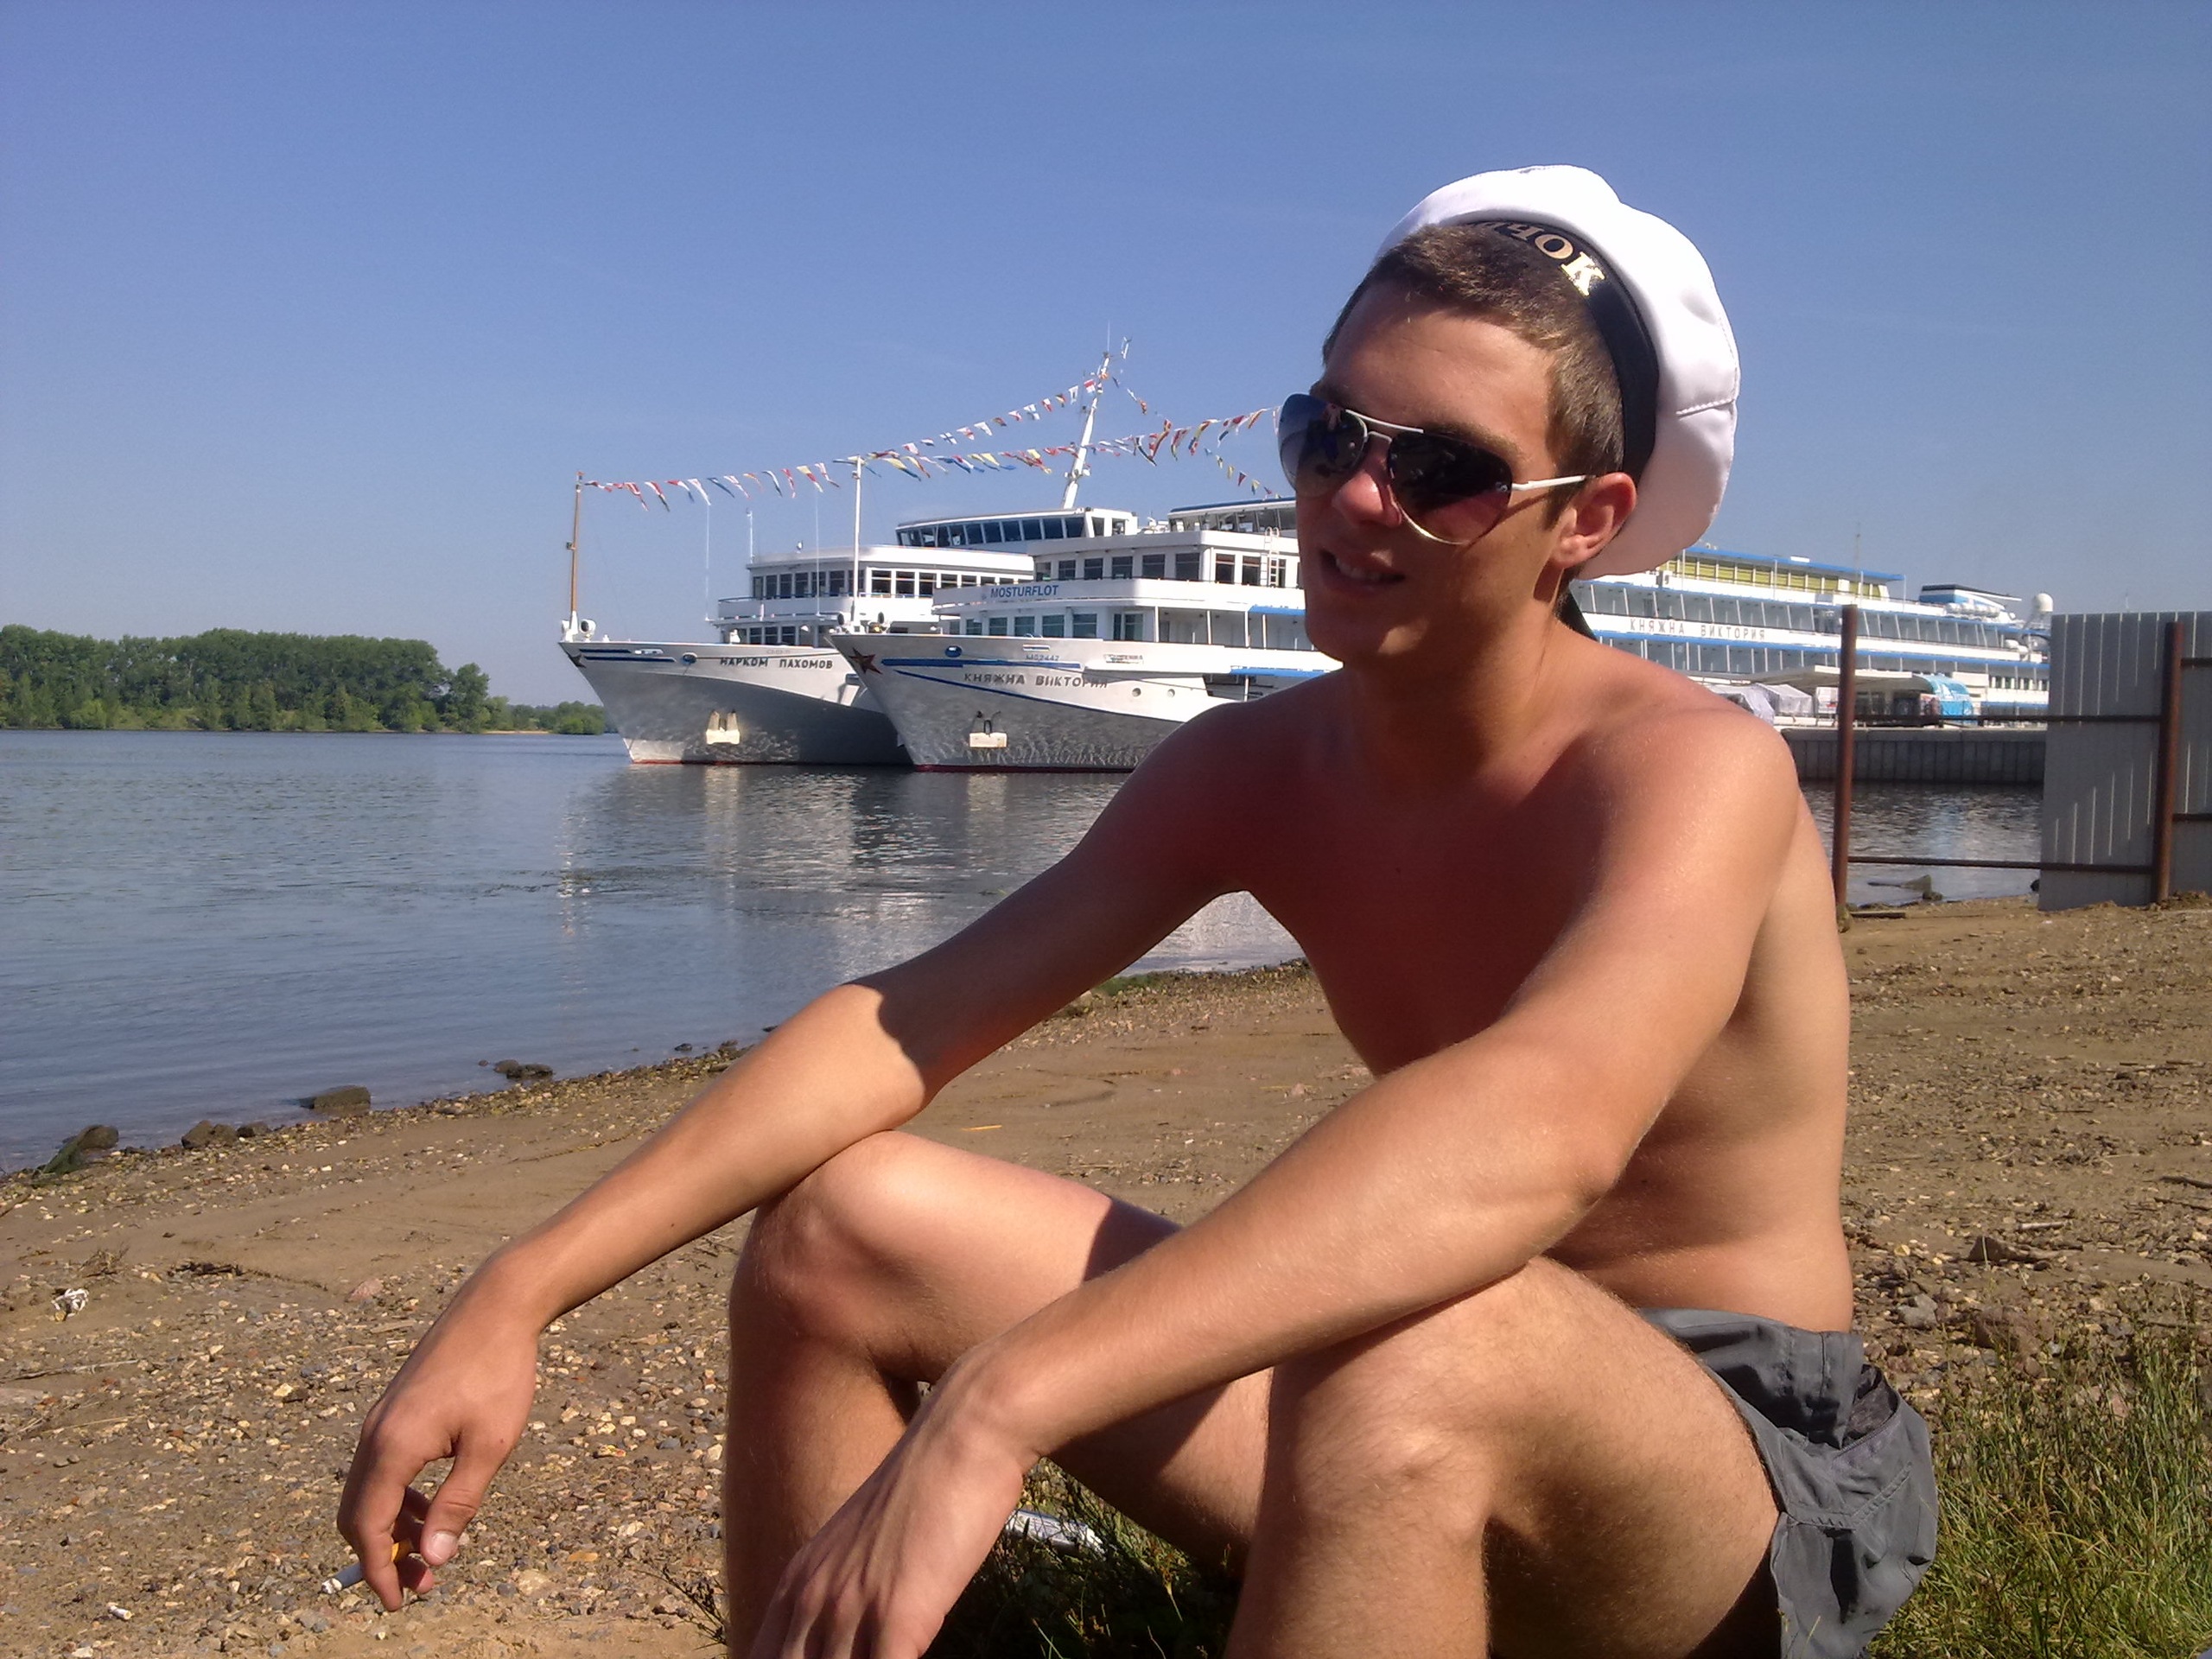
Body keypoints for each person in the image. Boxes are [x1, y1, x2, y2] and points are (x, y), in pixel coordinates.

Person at [340, 165, 1936, 1658]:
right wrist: (523, 1287)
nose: (1354, 498)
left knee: (1416, 1343)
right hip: (1382, 1393)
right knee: (842, 1230)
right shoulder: (1254, 767)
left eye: (1441, 471)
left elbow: (1539, 1128)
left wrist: (1006, 1398)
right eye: (1329, 432)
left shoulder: (1688, 769)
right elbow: (904, 1022)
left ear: (1586, 519)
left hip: (1726, 1467)